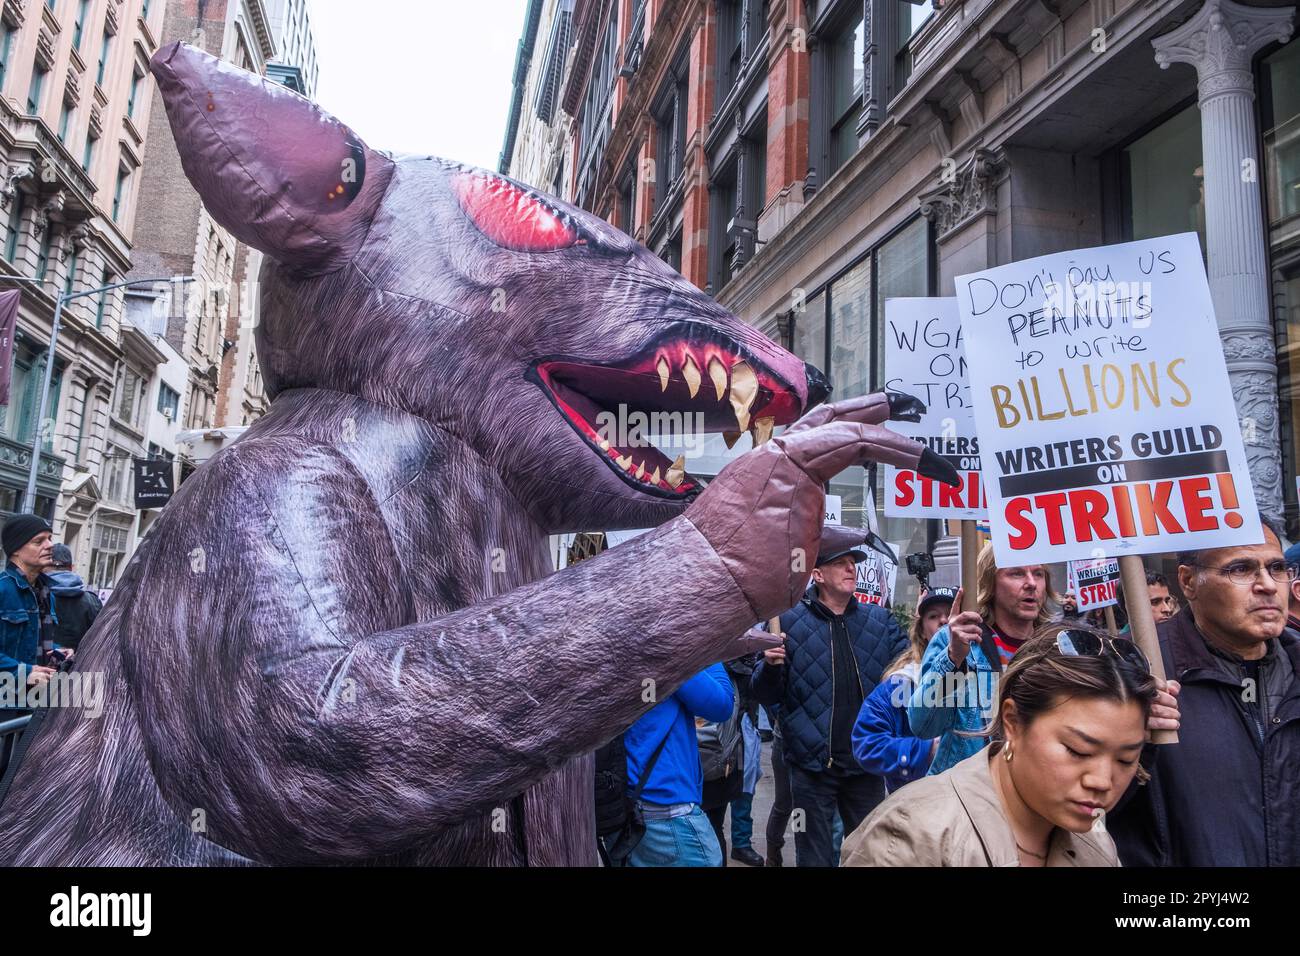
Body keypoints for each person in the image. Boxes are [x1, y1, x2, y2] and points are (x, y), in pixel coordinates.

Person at [842, 626, 1160, 866]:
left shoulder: (1098, 846)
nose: (1102, 781)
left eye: (1126, 759)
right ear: (1012, 721)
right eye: (1078, 750)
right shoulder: (914, 834)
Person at [1109, 515, 1300, 866]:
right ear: (1188, 581)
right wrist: (1127, 743)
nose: (1268, 585)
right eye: (1241, 569)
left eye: (1277, 567)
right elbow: (1085, 813)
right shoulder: (1130, 671)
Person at [751, 525, 906, 867]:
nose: (852, 568)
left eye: (854, 562)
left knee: (871, 853)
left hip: (865, 765)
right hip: (812, 768)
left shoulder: (880, 621)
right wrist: (771, 666)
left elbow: (911, 669)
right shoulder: (788, 622)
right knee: (814, 856)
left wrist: (933, 627)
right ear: (817, 574)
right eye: (842, 562)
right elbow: (763, 693)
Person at [907, 544, 1057, 775]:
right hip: (971, 793)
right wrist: (954, 656)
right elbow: (924, 725)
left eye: (1038, 574)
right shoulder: (956, 642)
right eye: (1016, 573)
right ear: (991, 583)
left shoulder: (1057, 647)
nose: (1031, 583)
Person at [606, 663, 734, 867]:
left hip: (623, 809)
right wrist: (712, 652)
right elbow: (721, 705)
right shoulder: (665, 648)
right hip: (666, 813)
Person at [852, 587, 955, 791]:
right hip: (919, 804)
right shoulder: (903, 683)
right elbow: (866, 743)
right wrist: (925, 750)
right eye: (934, 616)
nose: (944, 621)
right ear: (923, 631)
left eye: (951, 613)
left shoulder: (986, 671)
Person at [0, 515, 66, 690]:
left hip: (36, 699)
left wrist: (59, 652)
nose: (50, 545)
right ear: (16, 549)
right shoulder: (3, 589)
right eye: (39, 541)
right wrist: (23, 672)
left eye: (50, 538)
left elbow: (34, 643)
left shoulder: (45, 592)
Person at [44, 544, 102, 650]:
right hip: (80, 664)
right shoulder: (92, 601)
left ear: (45, 566)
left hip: (40, 664)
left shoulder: (36, 595)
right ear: (71, 567)